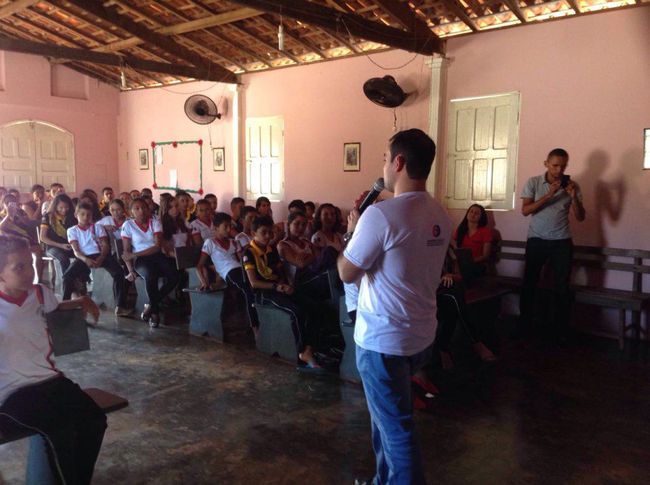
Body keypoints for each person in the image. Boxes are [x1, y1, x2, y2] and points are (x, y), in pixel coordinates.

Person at [338, 128, 451, 484]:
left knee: (397, 429)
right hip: (420, 336)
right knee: (386, 420)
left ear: (399, 162)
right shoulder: (440, 212)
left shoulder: (381, 215)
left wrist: (354, 231)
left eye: (386, 158)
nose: (384, 165)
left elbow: (346, 272)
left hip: (382, 341)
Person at [0, 235, 106, 485]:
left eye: (31, 263)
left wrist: (81, 301)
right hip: (12, 393)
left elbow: (55, 309)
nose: (30, 272)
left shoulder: (39, 293)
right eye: (19, 267)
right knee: (61, 433)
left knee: (94, 420)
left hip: (50, 381)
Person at [517, 148, 586, 343]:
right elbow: (525, 210)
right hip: (537, 240)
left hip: (562, 241)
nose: (559, 170)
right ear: (546, 164)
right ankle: (524, 326)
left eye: (563, 166)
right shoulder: (533, 182)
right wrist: (549, 194)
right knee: (529, 282)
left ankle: (560, 330)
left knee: (562, 287)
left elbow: (581, 217)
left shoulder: (572, 186)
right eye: (555, 165)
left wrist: (573, 197)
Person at [243, 216, 321, 369]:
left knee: (313, 307)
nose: (268, 236)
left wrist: (286, 284)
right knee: (296, 312)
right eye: (264, 233)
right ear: (253, 233)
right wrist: (276, 287)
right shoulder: (249, 253)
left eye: (270, 232)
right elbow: (254, 282)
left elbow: (280, 271)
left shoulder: (271, 249)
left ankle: (310, 347)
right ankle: (301, 352)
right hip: (264, 293)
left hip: (279, 288)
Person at [121, 198, 179, 327]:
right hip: (141, 261)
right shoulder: (128, 225)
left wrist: (135, 254)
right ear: (131, 212)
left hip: (157, 256)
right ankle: (155, 313)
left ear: (148, 209)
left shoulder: (155, 222)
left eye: (144, 207)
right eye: (137, 208)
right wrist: (130, 270)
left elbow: (157, 247)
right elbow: (126, 251)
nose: (141, 211)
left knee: (175, 275)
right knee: (150, 275)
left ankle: (151, 304)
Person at [197, 212, 258, 327]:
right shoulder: (210, 242)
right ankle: (254, 326)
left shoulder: (233, 242)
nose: (229, 229)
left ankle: (251, 320)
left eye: (230, 226)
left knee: (255, 288)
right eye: (225, 226)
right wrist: (204, 282)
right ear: (216, 228)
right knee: (248, 290)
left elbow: (242, 260)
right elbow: (200, 265)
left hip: (240, 270)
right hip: (229, 273)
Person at [66, 203, 129, 315]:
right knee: (67, 276)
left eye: (88, 215)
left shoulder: (97, 227)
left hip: (101, 255)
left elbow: (105, 246)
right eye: (82, 214)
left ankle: (120, 306)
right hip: (83, 257)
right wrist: (86, 260)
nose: (85, 217)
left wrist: (101, 258)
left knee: (119, 273)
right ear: (76, 215)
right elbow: (76, 251)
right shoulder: (72, 230)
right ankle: (65, 304)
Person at [452, 204, 493, 281]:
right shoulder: (461, 229)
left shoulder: (485, 231)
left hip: (477, 264)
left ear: (481, 217)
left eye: (476, 213)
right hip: (460, 264)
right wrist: (457, 262)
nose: (473, 214)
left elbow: (485, 255)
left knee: (462, 274)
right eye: (471, 211)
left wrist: (469, 262)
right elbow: (454, 249)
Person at [40, 193, 77, 277]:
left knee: (81, 256)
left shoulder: (72, 216)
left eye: (66, 207)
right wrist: (61, 245)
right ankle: (67, 282)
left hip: (69, 246)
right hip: (52, 247)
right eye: (61, 207)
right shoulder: (48, 217)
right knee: (63, 258)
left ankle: (81, 280)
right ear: (55, 206)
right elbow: (43, 237)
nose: (64, 210)